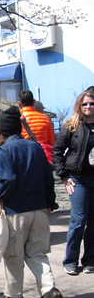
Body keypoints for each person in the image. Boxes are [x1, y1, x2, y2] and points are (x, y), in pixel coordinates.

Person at [0, 106, 62, 298]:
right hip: (40, 208)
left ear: (1, 132)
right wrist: (50, 202)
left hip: (17, 211)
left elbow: (8, 181)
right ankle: (49, 289)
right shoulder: (35, 147)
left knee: (13, 255)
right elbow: (48, 178)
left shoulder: (4, 150)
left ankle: (14, 296)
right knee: (37, 253)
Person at [52, 89, 94, 275]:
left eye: (92, 103)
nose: (88, 107)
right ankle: (70, 260)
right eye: (84, 104)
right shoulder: (72, 126)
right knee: (79, 219)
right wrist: (64, 176)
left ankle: (90, 260)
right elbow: (57, 152)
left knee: (93, 222)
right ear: (79, 106)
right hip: (78, 179)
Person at [18, 90, 55, 162]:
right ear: (34, 102)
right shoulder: (46, 119)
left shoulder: (17, 119)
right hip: (43, 157)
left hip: (25, 156)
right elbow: (51, 142)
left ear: (19, 104)